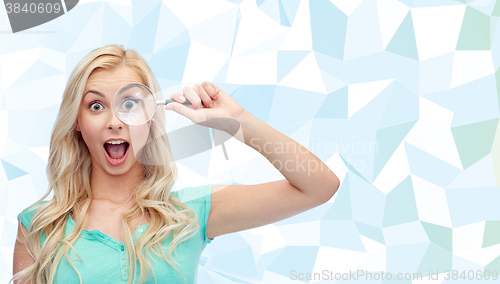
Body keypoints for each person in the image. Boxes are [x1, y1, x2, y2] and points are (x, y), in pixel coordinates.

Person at [11, 44, 340, 284]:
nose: (115, 121)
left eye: (130, 103)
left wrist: (239, 121)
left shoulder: (190, 213)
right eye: (96, 106)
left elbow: (318, 187)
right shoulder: (40, 227)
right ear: (77, 122)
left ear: (151, 117)